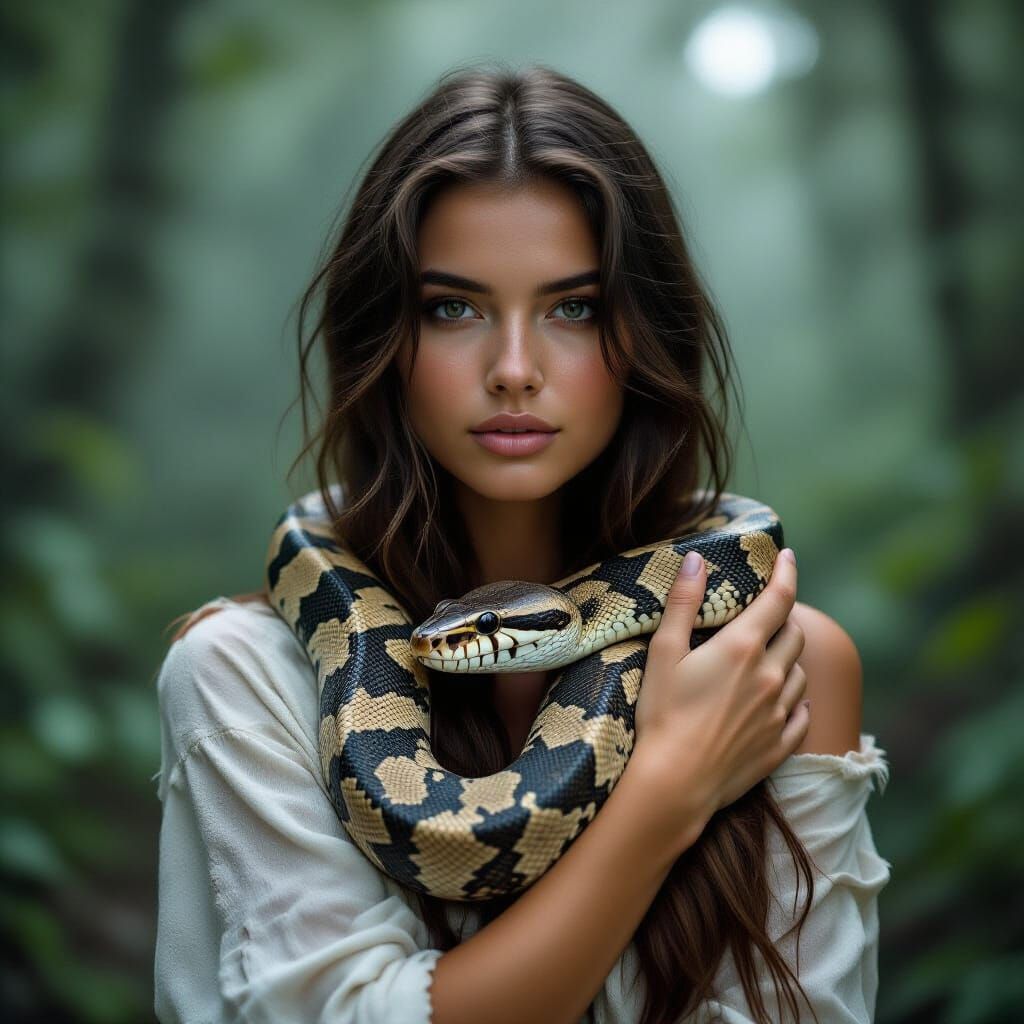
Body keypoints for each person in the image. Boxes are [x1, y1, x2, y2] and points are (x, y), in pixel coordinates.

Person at [153, 63, 891, 1024]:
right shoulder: (239, 677)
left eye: (573, 308)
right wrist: (665, 793)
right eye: (451, 307)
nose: (512, 371)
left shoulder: (779, 670)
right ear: (386, 337)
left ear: (645, 336)